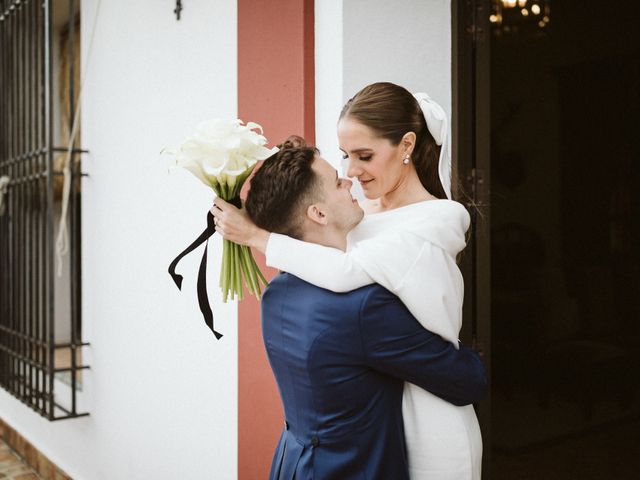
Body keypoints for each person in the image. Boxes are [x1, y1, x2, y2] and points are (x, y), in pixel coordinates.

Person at [213, 82, 483, 479]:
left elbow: (344, 274)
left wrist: (256, 236)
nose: (351, 173)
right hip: (385, 414)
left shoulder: (428, 225)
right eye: (344, 157)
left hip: (431, 414)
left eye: (364, 155)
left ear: (406, 145)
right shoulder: (362, 214)